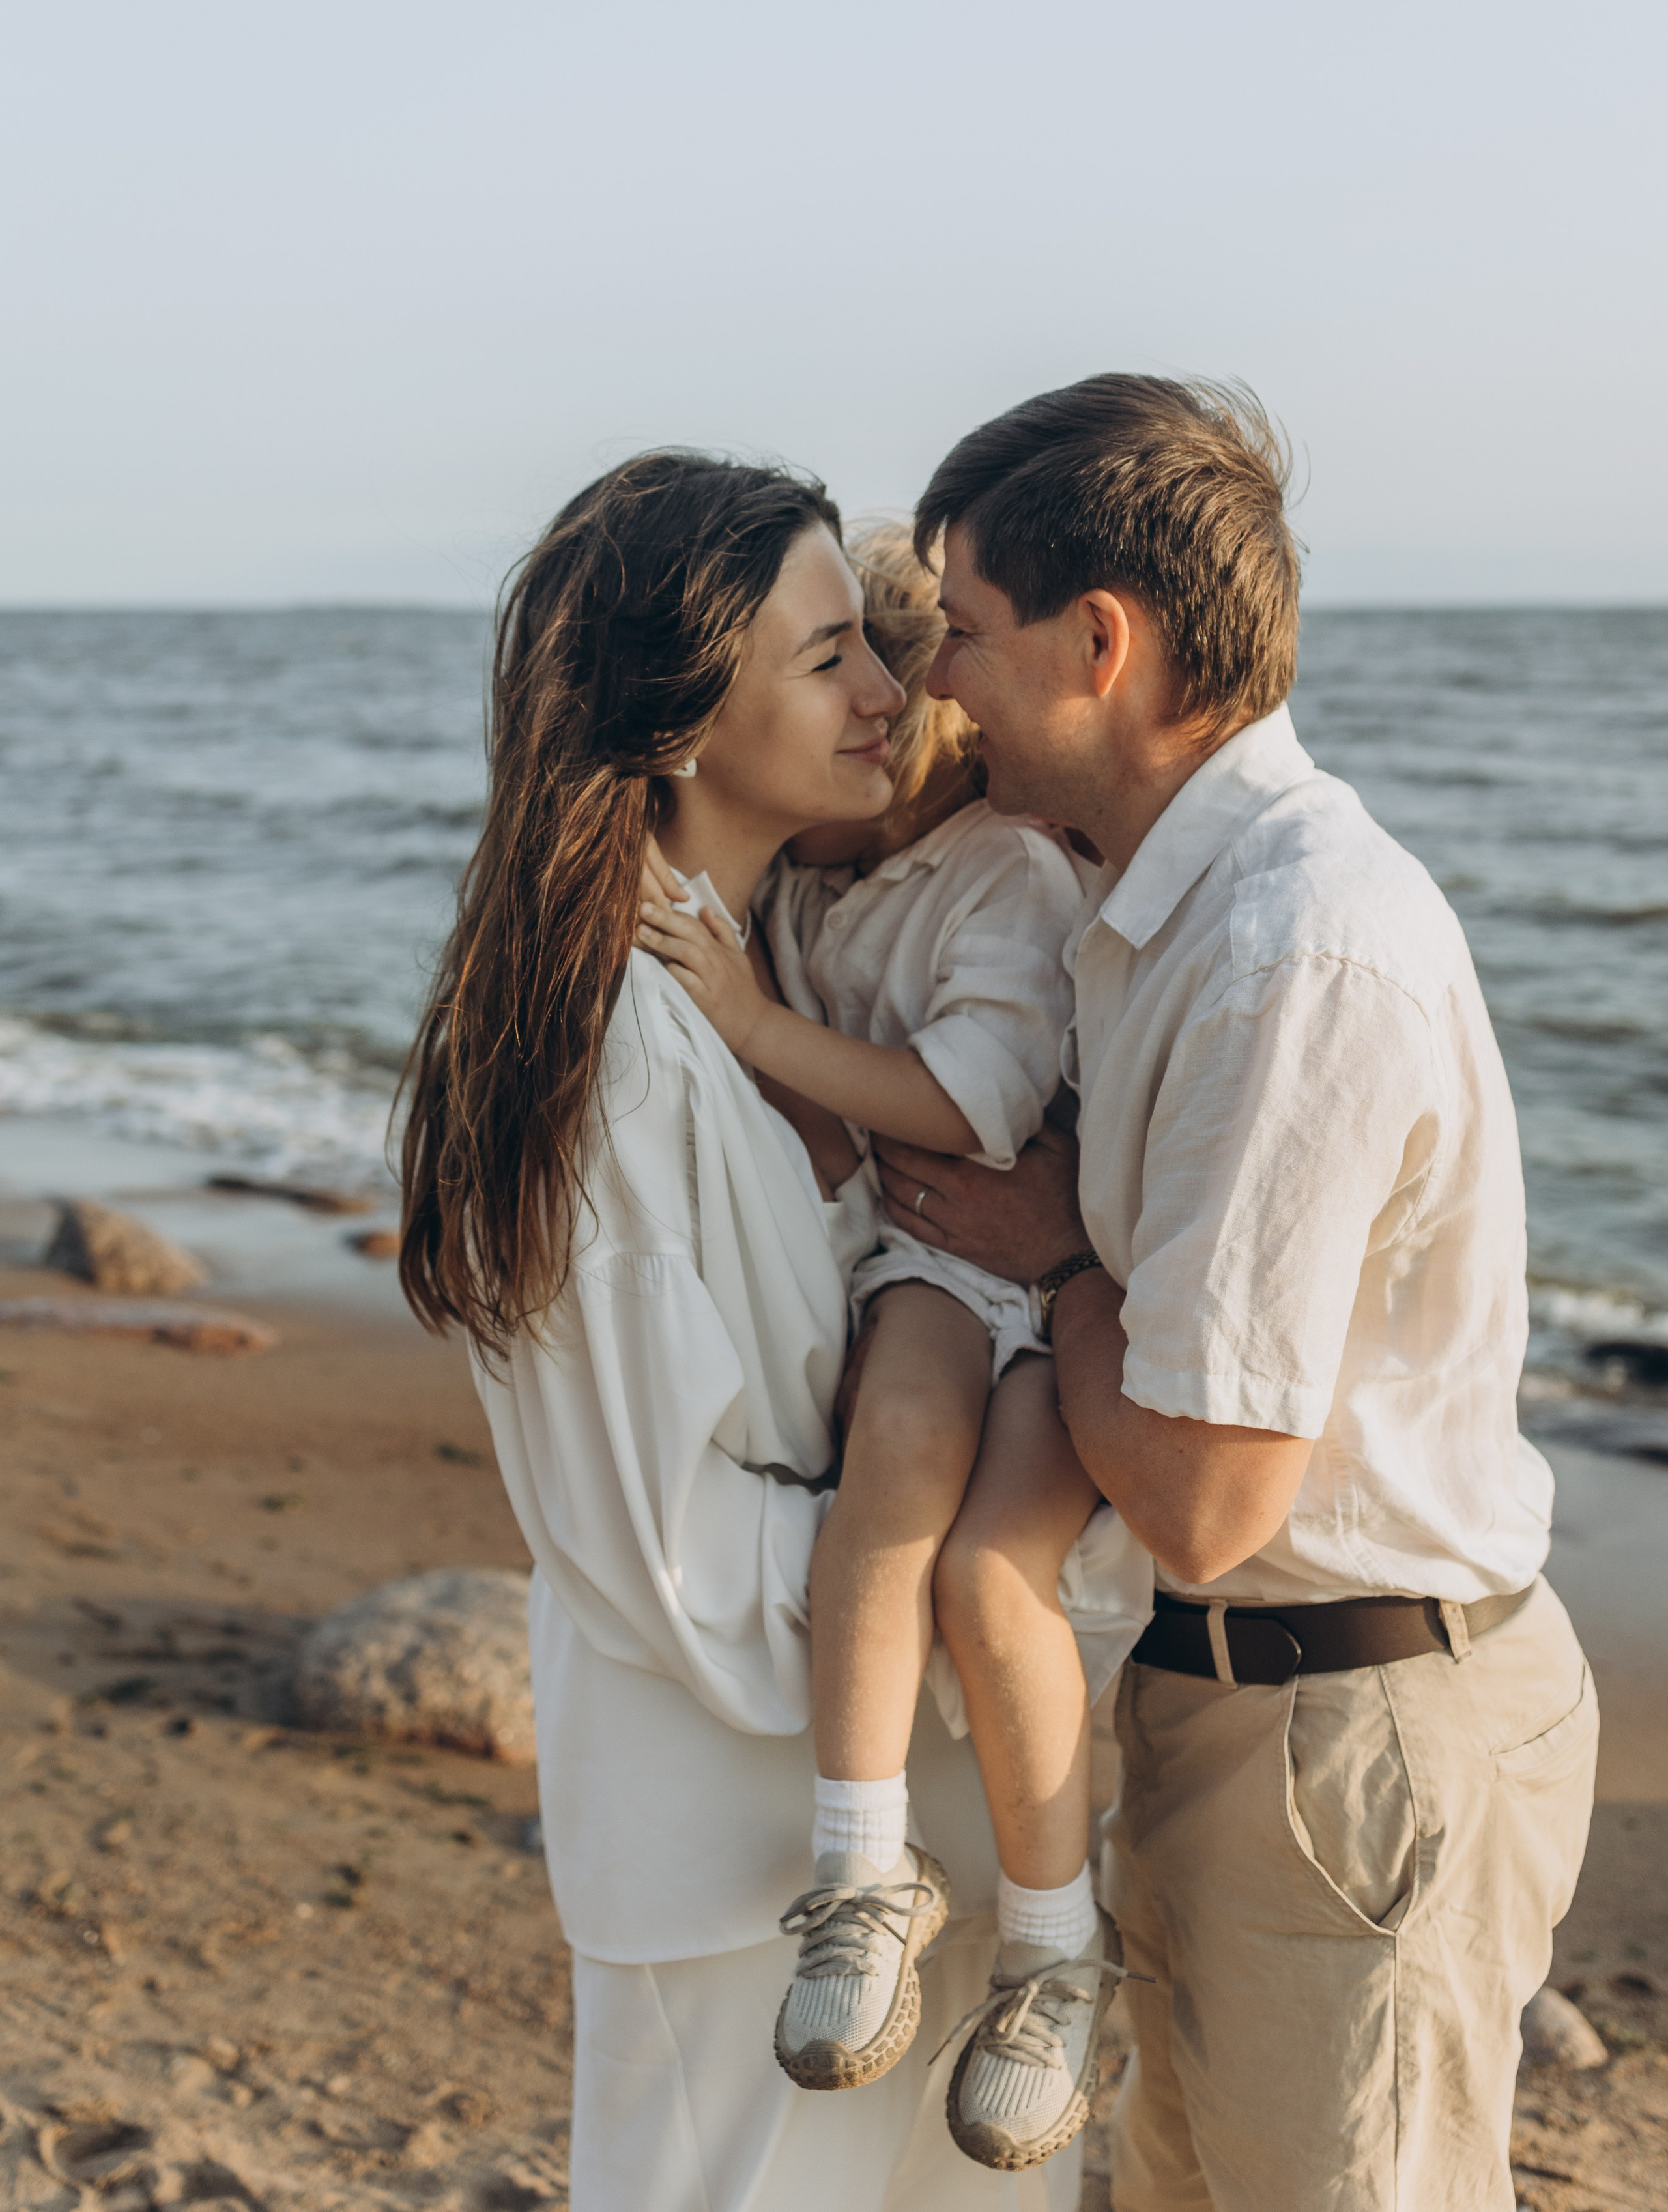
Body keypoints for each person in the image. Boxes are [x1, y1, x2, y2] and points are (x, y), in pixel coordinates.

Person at [872, 375, 1598, 2212]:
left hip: (1352, 1736)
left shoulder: (1291, 955)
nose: (936, 680)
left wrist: (1055, 1254)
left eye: (963, 629)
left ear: (1097, 644)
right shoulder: (1146, 899)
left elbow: (1204, 1500)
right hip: (1240, 1709)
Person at [398, 453, 1086, 2212]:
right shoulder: (619, 1048)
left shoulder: (776, 959)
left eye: (880, 646)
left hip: (883, 1835)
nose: (894, 692)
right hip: (740, 1857)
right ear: (684, 718)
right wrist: (989, 1605)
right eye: (828, 656)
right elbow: (663, 1542)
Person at [638, 524, 1151, 2175]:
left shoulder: (1004, 871)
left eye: (891, 688)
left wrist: (749, 1022)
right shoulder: (814, 875)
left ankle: (1053, 1952)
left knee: (994, 1577)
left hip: (1037, 1267)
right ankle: (863, 1871)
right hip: (922, 1262)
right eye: (837, 681)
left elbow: (972, 1107)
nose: (868, 715)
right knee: (892, 1487)